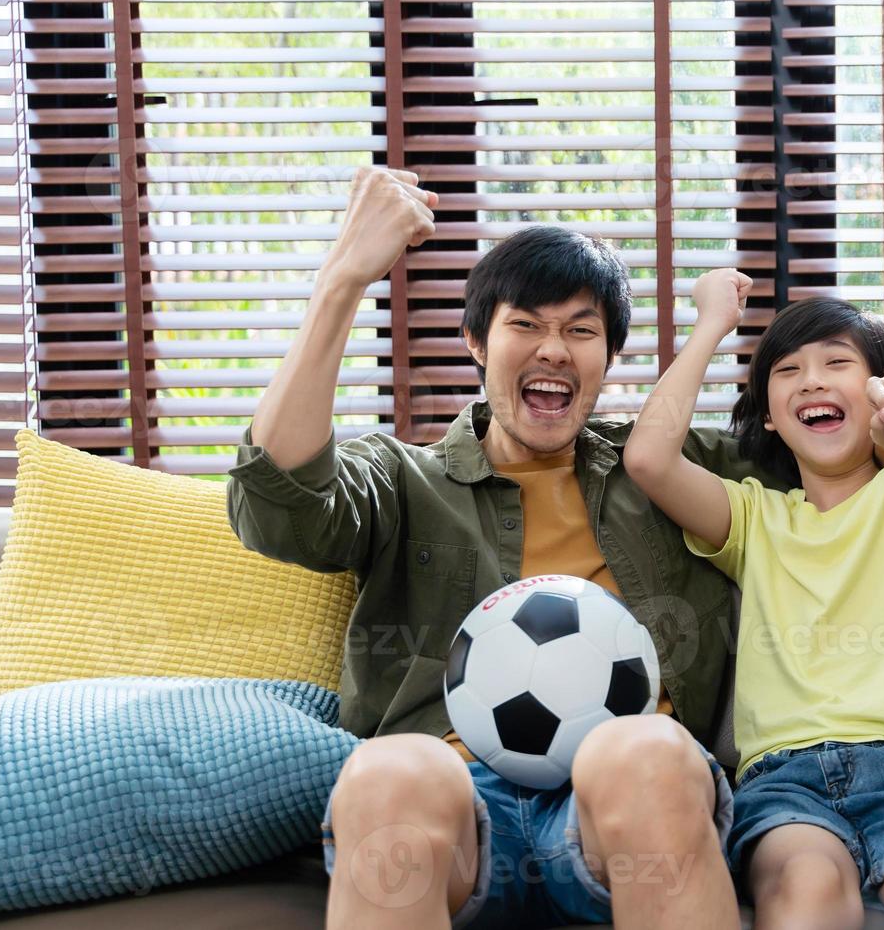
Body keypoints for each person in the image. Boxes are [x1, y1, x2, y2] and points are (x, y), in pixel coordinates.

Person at [228, 166, 772, 930]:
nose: (554, 349)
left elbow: (834, 452)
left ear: (608, 359)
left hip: (614, 809)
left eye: (581, 331)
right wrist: (345, 276)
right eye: (526, 324)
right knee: (387, 770)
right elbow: (276, 506)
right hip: (454, 808)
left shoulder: (673, 471)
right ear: (477, 342)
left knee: (646, 751)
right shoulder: (403, 479)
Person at [622, 271, 884, 930]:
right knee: (808, 893)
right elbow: (650, 459)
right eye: (789, 370)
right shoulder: (754, 519)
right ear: (770, 414)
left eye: (837, 363)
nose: (813, 380)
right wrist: (714, 322)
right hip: (784, 776)